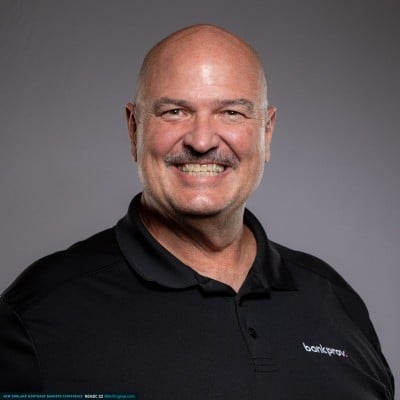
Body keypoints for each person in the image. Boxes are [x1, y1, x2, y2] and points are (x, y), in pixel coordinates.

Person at [0, 24, 394, 398]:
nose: (202, 141)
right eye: (175, 111)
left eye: (232, 112)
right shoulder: (38, 316)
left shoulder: (336, 302)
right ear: (134, 130)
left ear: (266, 132)